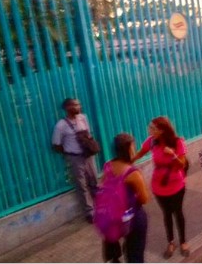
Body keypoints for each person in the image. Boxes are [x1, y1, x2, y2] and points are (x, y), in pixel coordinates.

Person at [132, 117, 190, 258]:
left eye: (152, 128)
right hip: (158, 185)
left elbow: (181, 164)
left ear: (162, 130)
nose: (149, 130)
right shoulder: (152, 141)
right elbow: (140, 153)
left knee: (178, 212)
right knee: (166, 213)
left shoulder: (177, 142)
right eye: (150, 127)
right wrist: (126, 163)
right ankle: (171, 242)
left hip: (176, 184)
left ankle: (183, 241)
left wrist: (173, 155)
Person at [102, 133, 150, 263]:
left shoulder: (108, 165)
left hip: (115, 217)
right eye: (133, 146)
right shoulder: (132, 173)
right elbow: (145, 199)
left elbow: (103, 187)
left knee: (126, 243)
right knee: (136, 254)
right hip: (133, 217)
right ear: (129, 149)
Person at [52, 98, 98, 223]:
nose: (78, 106)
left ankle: (101, 207)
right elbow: (56, 144)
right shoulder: (61, 125)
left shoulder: (83, 118)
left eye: (79, 104)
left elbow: (88, 134)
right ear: (67, 108)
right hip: (75, 158)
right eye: (75, 105)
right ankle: (90, 212)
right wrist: (70, 152)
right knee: (82, 185)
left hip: (88, 155)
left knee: (94, 181)